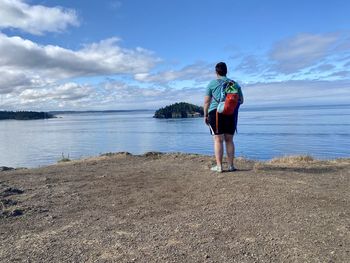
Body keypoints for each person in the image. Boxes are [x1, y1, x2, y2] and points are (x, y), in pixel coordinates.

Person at [204, 62, 244, 173]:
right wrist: (229, 106)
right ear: (226, 71)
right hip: (230, 113)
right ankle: (231, 166)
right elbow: (241, 100)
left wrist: (205, 114)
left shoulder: (212, 83)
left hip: (215, 112)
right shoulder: (234, 83)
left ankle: (219, 167)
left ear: (216, 72)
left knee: (218, 140)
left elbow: (207, 101)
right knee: (229, 140)